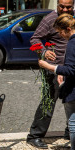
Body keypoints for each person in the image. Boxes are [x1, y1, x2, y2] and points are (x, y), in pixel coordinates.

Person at [26, 0, 75, 149]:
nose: (65, 9)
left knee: (72, 102)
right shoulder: (49, 19)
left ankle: (70, 131)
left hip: (71, 69)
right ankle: (35, 135)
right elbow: (34, 38)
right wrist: (44, 51)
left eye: (69, 6)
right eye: (62, 6)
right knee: (48, 102)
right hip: (54, 68)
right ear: (57, 5)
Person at [39, 13, 75, 150]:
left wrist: (50, 67)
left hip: (73, 91)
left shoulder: (72, 42)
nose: (60, 35)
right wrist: (62, 72)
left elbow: (72, 70)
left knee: (72, 123)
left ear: (67, 29)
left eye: (60, 32)